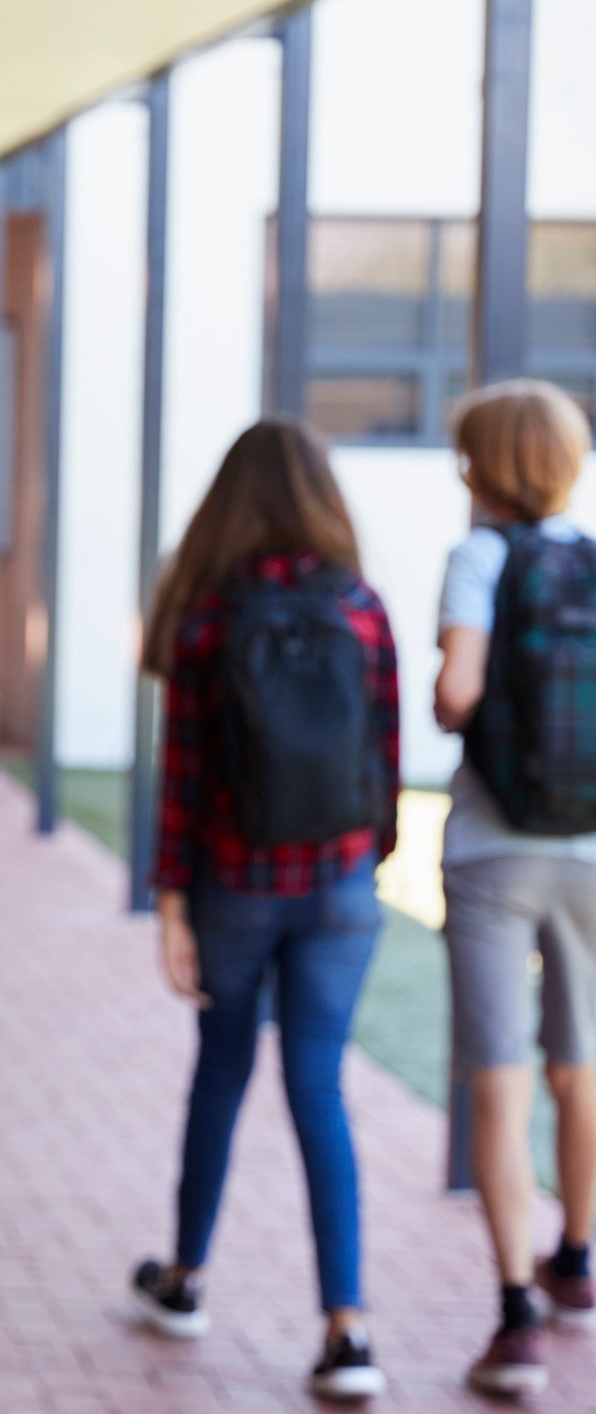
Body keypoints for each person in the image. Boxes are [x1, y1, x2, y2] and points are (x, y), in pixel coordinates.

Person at [129, 419, 399, 1402]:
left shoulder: (207, 617)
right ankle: (349, 1329)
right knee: (318, 1089)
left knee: (223, 1073)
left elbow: (184, 781)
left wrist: (171, 904)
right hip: (338, 888)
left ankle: (188, 1279)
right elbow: (387, 760)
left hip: (235, 886)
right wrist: (362, 873)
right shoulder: (362, 607)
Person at [432, 380, 596, 1398]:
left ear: (484, 467)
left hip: (494, 848)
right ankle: (578, 1257)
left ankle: (513, 1316)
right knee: (579, 1066)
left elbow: (458, 690)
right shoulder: (591, 557)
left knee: (496, 1073)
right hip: (590, 849)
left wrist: (456, 707)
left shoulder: (478, 558)